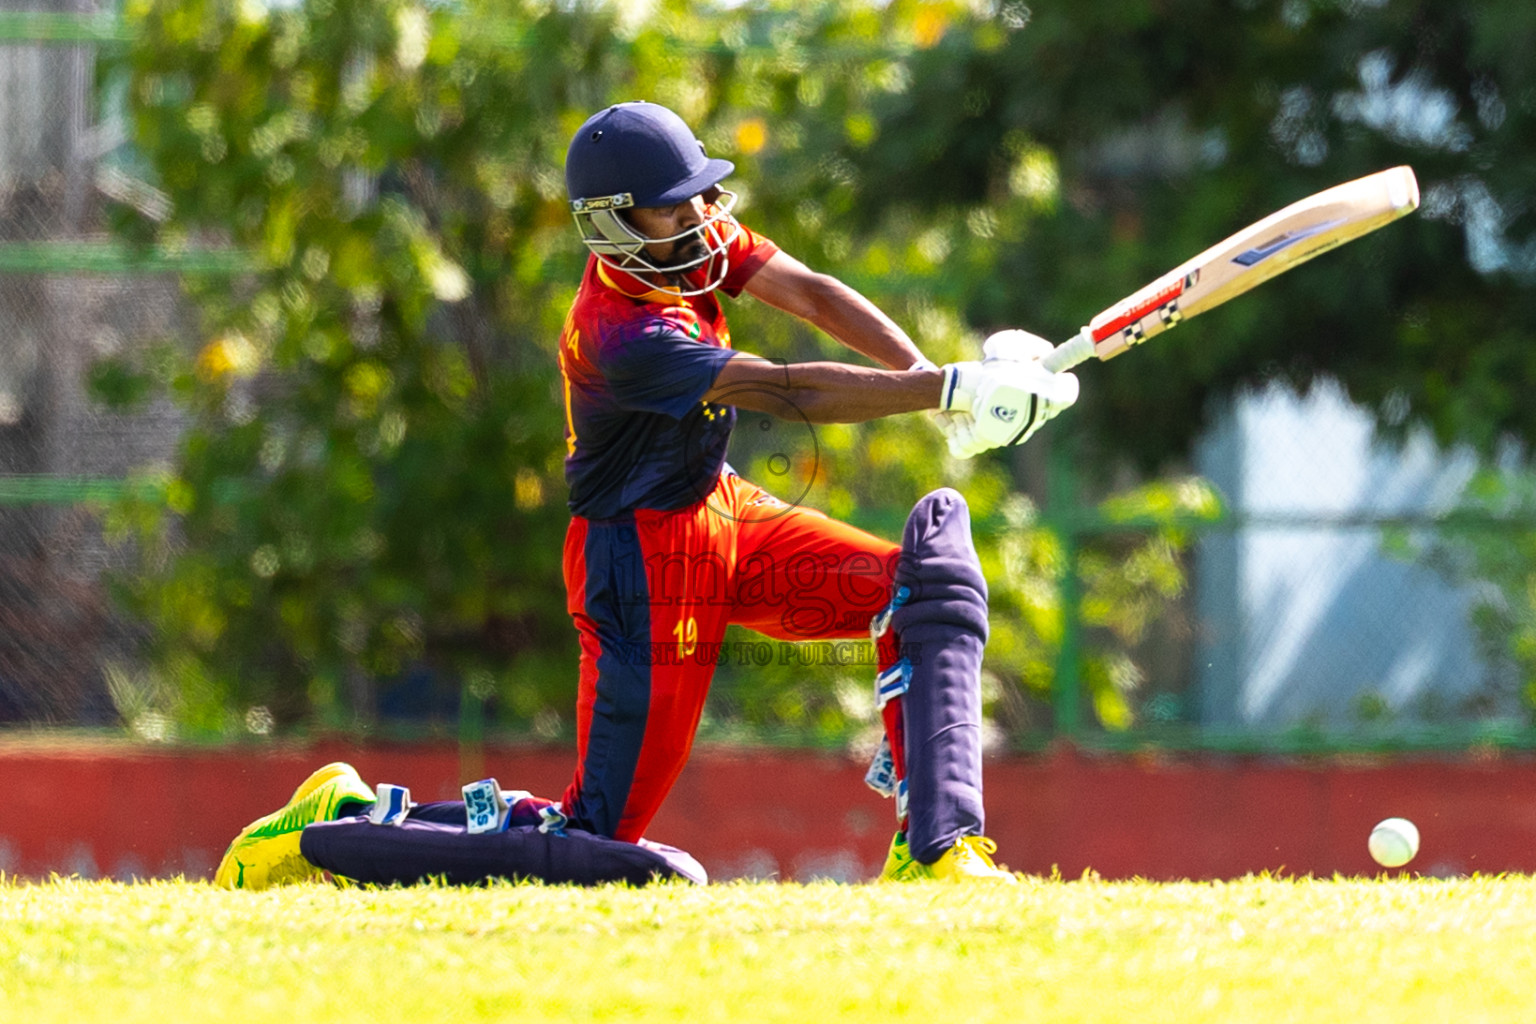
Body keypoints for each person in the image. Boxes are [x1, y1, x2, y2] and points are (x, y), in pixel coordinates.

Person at [214, 101, 1077, 890]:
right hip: (640, 566)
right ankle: (330, 829)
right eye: (675, 204)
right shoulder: (620, 333)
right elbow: (787, 392)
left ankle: (935, 851)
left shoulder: (687, 243)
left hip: (723, 512)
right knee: (591, 842)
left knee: (921, 587)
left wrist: (932, 376)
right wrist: (951, 391)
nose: (701, 217)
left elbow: (808, 292)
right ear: (614, 224)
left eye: (701, 195)